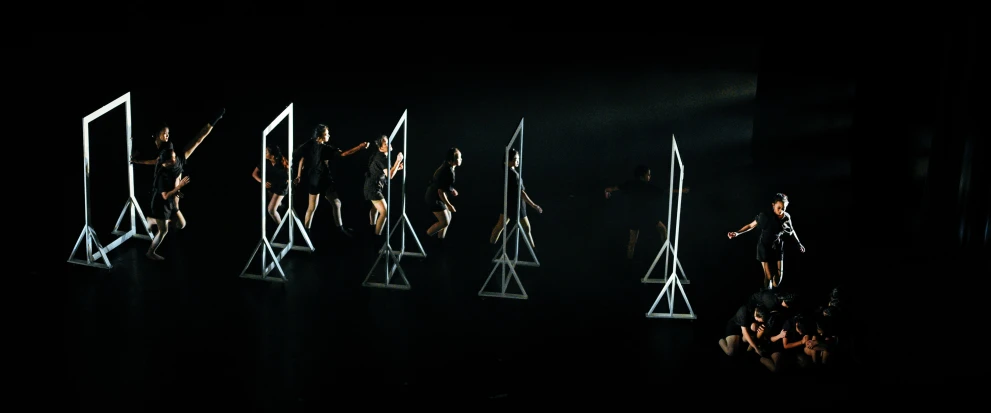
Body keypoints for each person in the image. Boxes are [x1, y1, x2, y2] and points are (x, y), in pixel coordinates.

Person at [131, 109, 225, 216]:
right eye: (165, 133)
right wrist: (135, 153)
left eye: (168, 133)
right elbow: (153, 159)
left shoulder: (168, 145)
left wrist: (139, 161)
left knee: (198, 139)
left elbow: (160, 161)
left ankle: (215, 119)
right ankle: (169, 217)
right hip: (172, 171)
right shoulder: (152, 144)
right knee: (176, 198)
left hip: (178, 163)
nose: (167, 135)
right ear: (158, 134)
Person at [294, 124, 369, 237]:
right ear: (321, 136)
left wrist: (299, 175)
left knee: (316, 207)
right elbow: (343, 154)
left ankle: (308, 232)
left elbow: (302, 159)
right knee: (333, 204)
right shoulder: (324, 148)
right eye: (327, 133)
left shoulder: (310, 144)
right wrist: (360, 147)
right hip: (321, 179)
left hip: (316, 179)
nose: (329, 135)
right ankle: (336, 230)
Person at [604, 165, 688, 259]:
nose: (649, 177)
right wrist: (682, 190)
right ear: (642, 176)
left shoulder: (630, 184)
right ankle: (666, 255)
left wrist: (607, 191)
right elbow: (667, 191)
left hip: (638, 215)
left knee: (632, 242)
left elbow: (613, 188)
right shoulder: (647, 187)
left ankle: (629, 261)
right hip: (642, 215)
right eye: (648, 175)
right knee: (662, 230)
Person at [727, 193, 806, 289]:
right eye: (779, 208)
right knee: (768, 276)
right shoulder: (765, 216)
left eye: (784, 208)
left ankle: (771, 292)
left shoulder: (786, 217)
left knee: (777, 280)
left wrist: (799, 243)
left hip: (777, 245)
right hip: (764, 246)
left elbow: (792, 230)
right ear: (773, 205)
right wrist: (737, 233)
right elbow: (750, 225)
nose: (781, 211)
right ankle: (767, 296)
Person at [489, 148, 543, 249]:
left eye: (518, 159)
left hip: (507, 203)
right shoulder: (514, 175)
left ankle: (491, 246)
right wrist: (534, 205)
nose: (517, 161)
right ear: (509, 161)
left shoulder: (506, 172)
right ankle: (534, 250)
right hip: (516, 205)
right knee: (526, 229)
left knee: (500, 227)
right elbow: (522, 193)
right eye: (514, 159)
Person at [145, 145, 191, 260]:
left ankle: (152, 220)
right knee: (163, 231)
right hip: (160, 204)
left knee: (181, 224)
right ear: (166, 161)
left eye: (175, 157)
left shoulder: (172, 167)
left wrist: (177, 192)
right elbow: (164, 196)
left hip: (170, 201)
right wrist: (179, 186)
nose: (175, 160)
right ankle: (150, 253)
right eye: (172, 158)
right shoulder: (162, 174)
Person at [364, 135, 404, 236]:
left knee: (375, 209)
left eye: (388, 142)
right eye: (386, 143)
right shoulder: (382, 158)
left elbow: (387, 172)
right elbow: (390, 176)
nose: (389, 144)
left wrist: (396, 168)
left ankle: (371, 231)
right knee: (384, 212)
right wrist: (398, 160)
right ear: (381, 147)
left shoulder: (381, 155)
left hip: (371, 186)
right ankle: (376, 238)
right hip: (373, 188)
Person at [425, 147, 462, 241]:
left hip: (437, 195)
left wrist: (451, 189)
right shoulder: (448, 171)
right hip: (434, 197)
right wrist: (449, 205)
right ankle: (425, 238)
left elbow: (443, 183)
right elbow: (440, 191)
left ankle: (440, 241)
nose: (461, 159)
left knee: (448, 219)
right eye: (458, 158)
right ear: (451, 161)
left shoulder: (448, 167)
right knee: (444, 222)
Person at [251, 144, 291, 226]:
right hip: (271, 187)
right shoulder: (264, 161)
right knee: (278, 207)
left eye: (266, 152)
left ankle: (281, 229)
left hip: (281, 187)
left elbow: (289, 177)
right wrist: (262, 182)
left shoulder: (283, 162)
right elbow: (254, 174)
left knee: (271, 210)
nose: (264, 153)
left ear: (272, 155)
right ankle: (281, 208)